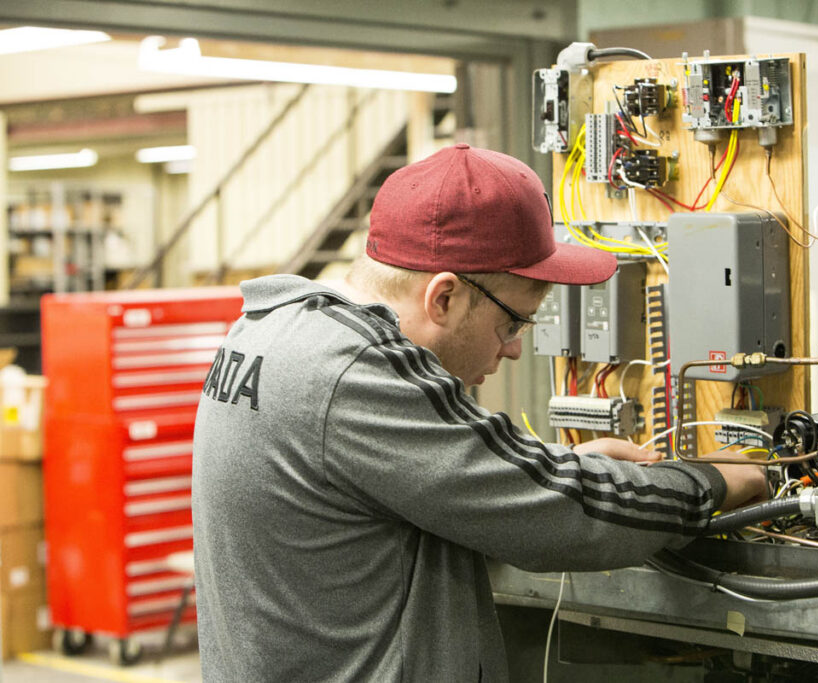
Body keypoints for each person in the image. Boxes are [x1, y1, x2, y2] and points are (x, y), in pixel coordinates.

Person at [191, 143, 766, 682]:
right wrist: (712, 479)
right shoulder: (358, 369)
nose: (514, 347)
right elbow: (563, 519)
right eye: (512, 322)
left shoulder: (278, 332)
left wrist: (553, 463)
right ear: (443, 298)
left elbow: (393, 484)